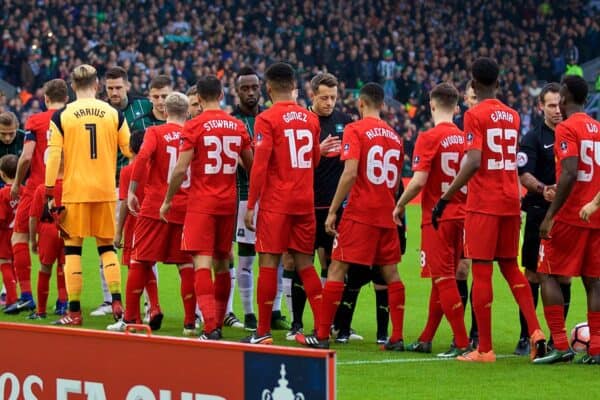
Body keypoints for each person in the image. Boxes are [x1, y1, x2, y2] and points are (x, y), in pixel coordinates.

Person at [435, 57, 546, 362]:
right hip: (511, 199)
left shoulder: (474, 114)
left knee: (481, 271)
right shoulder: (511, 115)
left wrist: (447, 196)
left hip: (483, 204)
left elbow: (472, 160)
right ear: (498, 83)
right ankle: (536, 332)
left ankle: (484, 349)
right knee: (511, 268)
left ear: (472, 84)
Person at [298, 82, 405, 350]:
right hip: (386, 214)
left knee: (336, 268)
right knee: (391, 273)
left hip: (360, 212)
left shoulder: (355, 130)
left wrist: (333, 210)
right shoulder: (395, 136)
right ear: (382, 104)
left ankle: (322, 335)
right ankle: (397, 337)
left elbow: (350, 172)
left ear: (360, 103)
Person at [160, 76, 253, 340]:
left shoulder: (194, 126)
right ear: (222, 94)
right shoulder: (237, 126)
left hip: (201, 203)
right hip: (228, 203)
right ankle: (219, 323)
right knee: (223, 263)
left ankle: (210, 325)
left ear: (198, 99)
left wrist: (167, 200)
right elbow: (252, 167)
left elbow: (180, 169)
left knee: (201, 261)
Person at [242, 62, 323, 345]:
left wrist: (251, 205)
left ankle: (262, 332)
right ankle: (323, 332)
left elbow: (260, 166)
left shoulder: (266, 119)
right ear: (294, 86)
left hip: (277, 202)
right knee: (305, 264)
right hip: (305, 201)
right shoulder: (310, 119)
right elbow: (314, 160)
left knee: (268, 261)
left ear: (268, 88)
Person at [45, 64, 131, 326]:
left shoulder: (62, 116)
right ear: (97, 85)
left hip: (75, 192)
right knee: (107, 248)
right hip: (106, 190)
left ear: (73, 86)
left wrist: (49, 191)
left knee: (73, 251)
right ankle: (117, 301)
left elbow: (54, 156)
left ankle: (74, 311)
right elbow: (129, 150)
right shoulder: (113, 113)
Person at [394, 82, 470, 357]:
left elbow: (417, 182)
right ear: (456, 107)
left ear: (432, 104)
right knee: (445, 278)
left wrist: (400, 205)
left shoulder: (428, 137)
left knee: (443, 278)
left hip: (438, 217)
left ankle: (462, 342)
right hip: (463, 216)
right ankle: (426, 337)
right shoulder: (466, 138)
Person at [110, 93, 195, 334]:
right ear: (187, 112)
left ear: (166, 111)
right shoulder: (193, 134)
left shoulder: (155, 133)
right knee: (185, 265)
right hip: (183, 209)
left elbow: (143, 158)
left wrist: (134, 191)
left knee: (140, 261)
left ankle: (129, 320)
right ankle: (190, 322)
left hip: (155, 207)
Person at [535, 76, 600, 365]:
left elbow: (570, 172)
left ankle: (560, 345)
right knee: (594, 281)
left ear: (565, 97)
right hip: (595, 214)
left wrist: (550, 216)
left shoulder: (566, 128)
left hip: (570, 215)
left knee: (547, 273)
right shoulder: (598, 128)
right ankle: (597, 348)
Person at [89, 67, 156, 318]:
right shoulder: (101, 112)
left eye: (118, 87)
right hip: (109, 185)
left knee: (143, 247)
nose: (114, 92)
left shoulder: (144, 107)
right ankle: (110, 299)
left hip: (139, 186)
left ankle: (149, 304)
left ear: (127, 85)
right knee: (107, 243)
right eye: (110, 88)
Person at [6, 79, 67, 316]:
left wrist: (17, 183)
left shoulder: (36, 121)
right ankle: (63, 302)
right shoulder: (71, 119)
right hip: (65, 189)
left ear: (45, 99)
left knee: (19, 237)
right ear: (67, 99)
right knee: (66, 247)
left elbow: (27, 156)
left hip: (36, 188)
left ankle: (27, 296)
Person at [514, 83, 567, 356]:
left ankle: (560, 338)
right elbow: (524, 173)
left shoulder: (574, 133)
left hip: (567, 215)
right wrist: (542, 189)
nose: (557, 110)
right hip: (537, 211)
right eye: (551, 105)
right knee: (533, 274)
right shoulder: (533, 138)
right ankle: (527, 336)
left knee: (564, 276)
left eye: (560, 104)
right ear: (541, 108)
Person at [27, 157, 67, 319]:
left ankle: (41, 311)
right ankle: (63, 306)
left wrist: (32, 240)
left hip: (47, 230)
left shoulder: (42, 189)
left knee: (45, 269)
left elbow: (32, 217)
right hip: (67, 231)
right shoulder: (72, 186)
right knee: (64, 268)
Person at [0, 155, 20, 313]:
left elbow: (1, 217)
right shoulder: (24, 190)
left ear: (2, 173)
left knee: (4, 263)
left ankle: (11, 299)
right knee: (15, 263)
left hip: (5, 233)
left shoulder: (3, 194)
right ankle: (16, 296)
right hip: (19, 233)